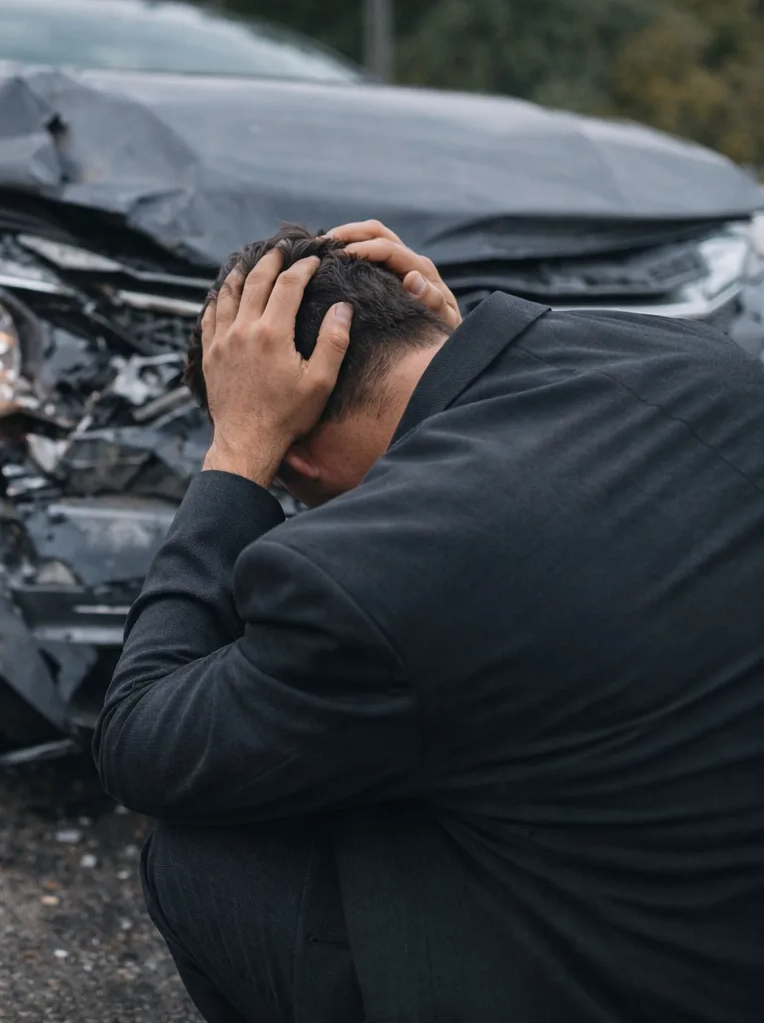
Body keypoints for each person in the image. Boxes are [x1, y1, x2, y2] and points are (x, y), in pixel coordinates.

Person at [92, 221, 764, 1022]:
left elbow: (140, 740)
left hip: (639, 984)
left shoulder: (365, 577)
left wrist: (236, 455)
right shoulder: (699, 360)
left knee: (200, 855)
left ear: (294, 458)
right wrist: (456, 349)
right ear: (416, 311)